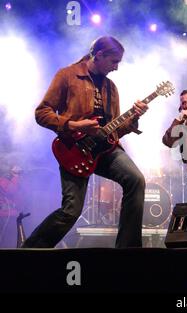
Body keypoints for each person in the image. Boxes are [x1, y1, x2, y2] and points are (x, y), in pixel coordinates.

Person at [22, 36, 148, 248]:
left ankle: (129, 250)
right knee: (71, 211)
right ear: (99, 55)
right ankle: (30, 251)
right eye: (114, 61)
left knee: (136, 180)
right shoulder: (68, 75)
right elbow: (41, 113)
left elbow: (115, 131)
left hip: (106, 151)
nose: (116, 67)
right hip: (75, 149)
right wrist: (74, 125)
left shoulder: (111, 87)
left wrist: (134, 117)